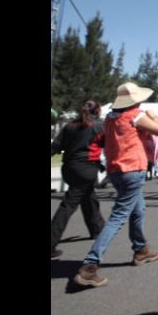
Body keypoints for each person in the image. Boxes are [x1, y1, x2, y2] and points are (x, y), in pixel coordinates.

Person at [73, 82, 158, 287]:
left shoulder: (111, 117)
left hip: (116, 171)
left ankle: (141, 249)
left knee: (138, 209)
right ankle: (90, 265)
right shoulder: (136, 115)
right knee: (118, 217)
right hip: (133, 169)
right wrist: (151, 115)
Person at [51, 100, 107, 258]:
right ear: (98, 111)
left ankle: (97, 229)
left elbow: (55, 147)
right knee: (67, 206)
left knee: (89, 197)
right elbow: (108, 145)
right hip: (86, 168)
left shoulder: (70, 125)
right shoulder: (99, 126)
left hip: (69, 168)